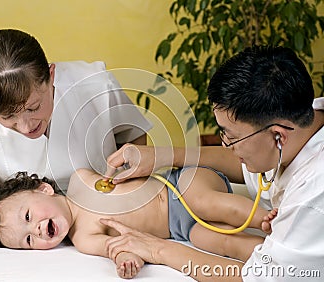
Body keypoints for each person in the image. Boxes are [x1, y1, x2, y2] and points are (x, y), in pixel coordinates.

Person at [102, 46, 324, 280]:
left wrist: (158, 249)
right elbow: (243, 163)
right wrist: (160, 156)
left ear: (278, 136)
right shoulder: (300, 123)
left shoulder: (314, 191)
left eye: (233, 137)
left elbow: (262, 277)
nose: (227, 145)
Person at [0, 29, 152, 216]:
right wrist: (33, 214)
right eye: (7, 117)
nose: (26, 127)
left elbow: (133, 137)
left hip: (105, 207)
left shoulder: (96, 85)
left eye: (33, 108)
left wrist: (128, 193)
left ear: (51, 76)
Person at [0, 166, 274, 279]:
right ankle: (277, 253)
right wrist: (127, 260)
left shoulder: (82, 180)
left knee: (209, 203)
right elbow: (118, 247)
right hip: (182, 228)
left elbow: (115, 176)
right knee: (215, 241)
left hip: (181, 184)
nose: (37, 230)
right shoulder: (84, 238)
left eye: (29, 217)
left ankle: (272, 219)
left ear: (44, 189)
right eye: (29, 241)